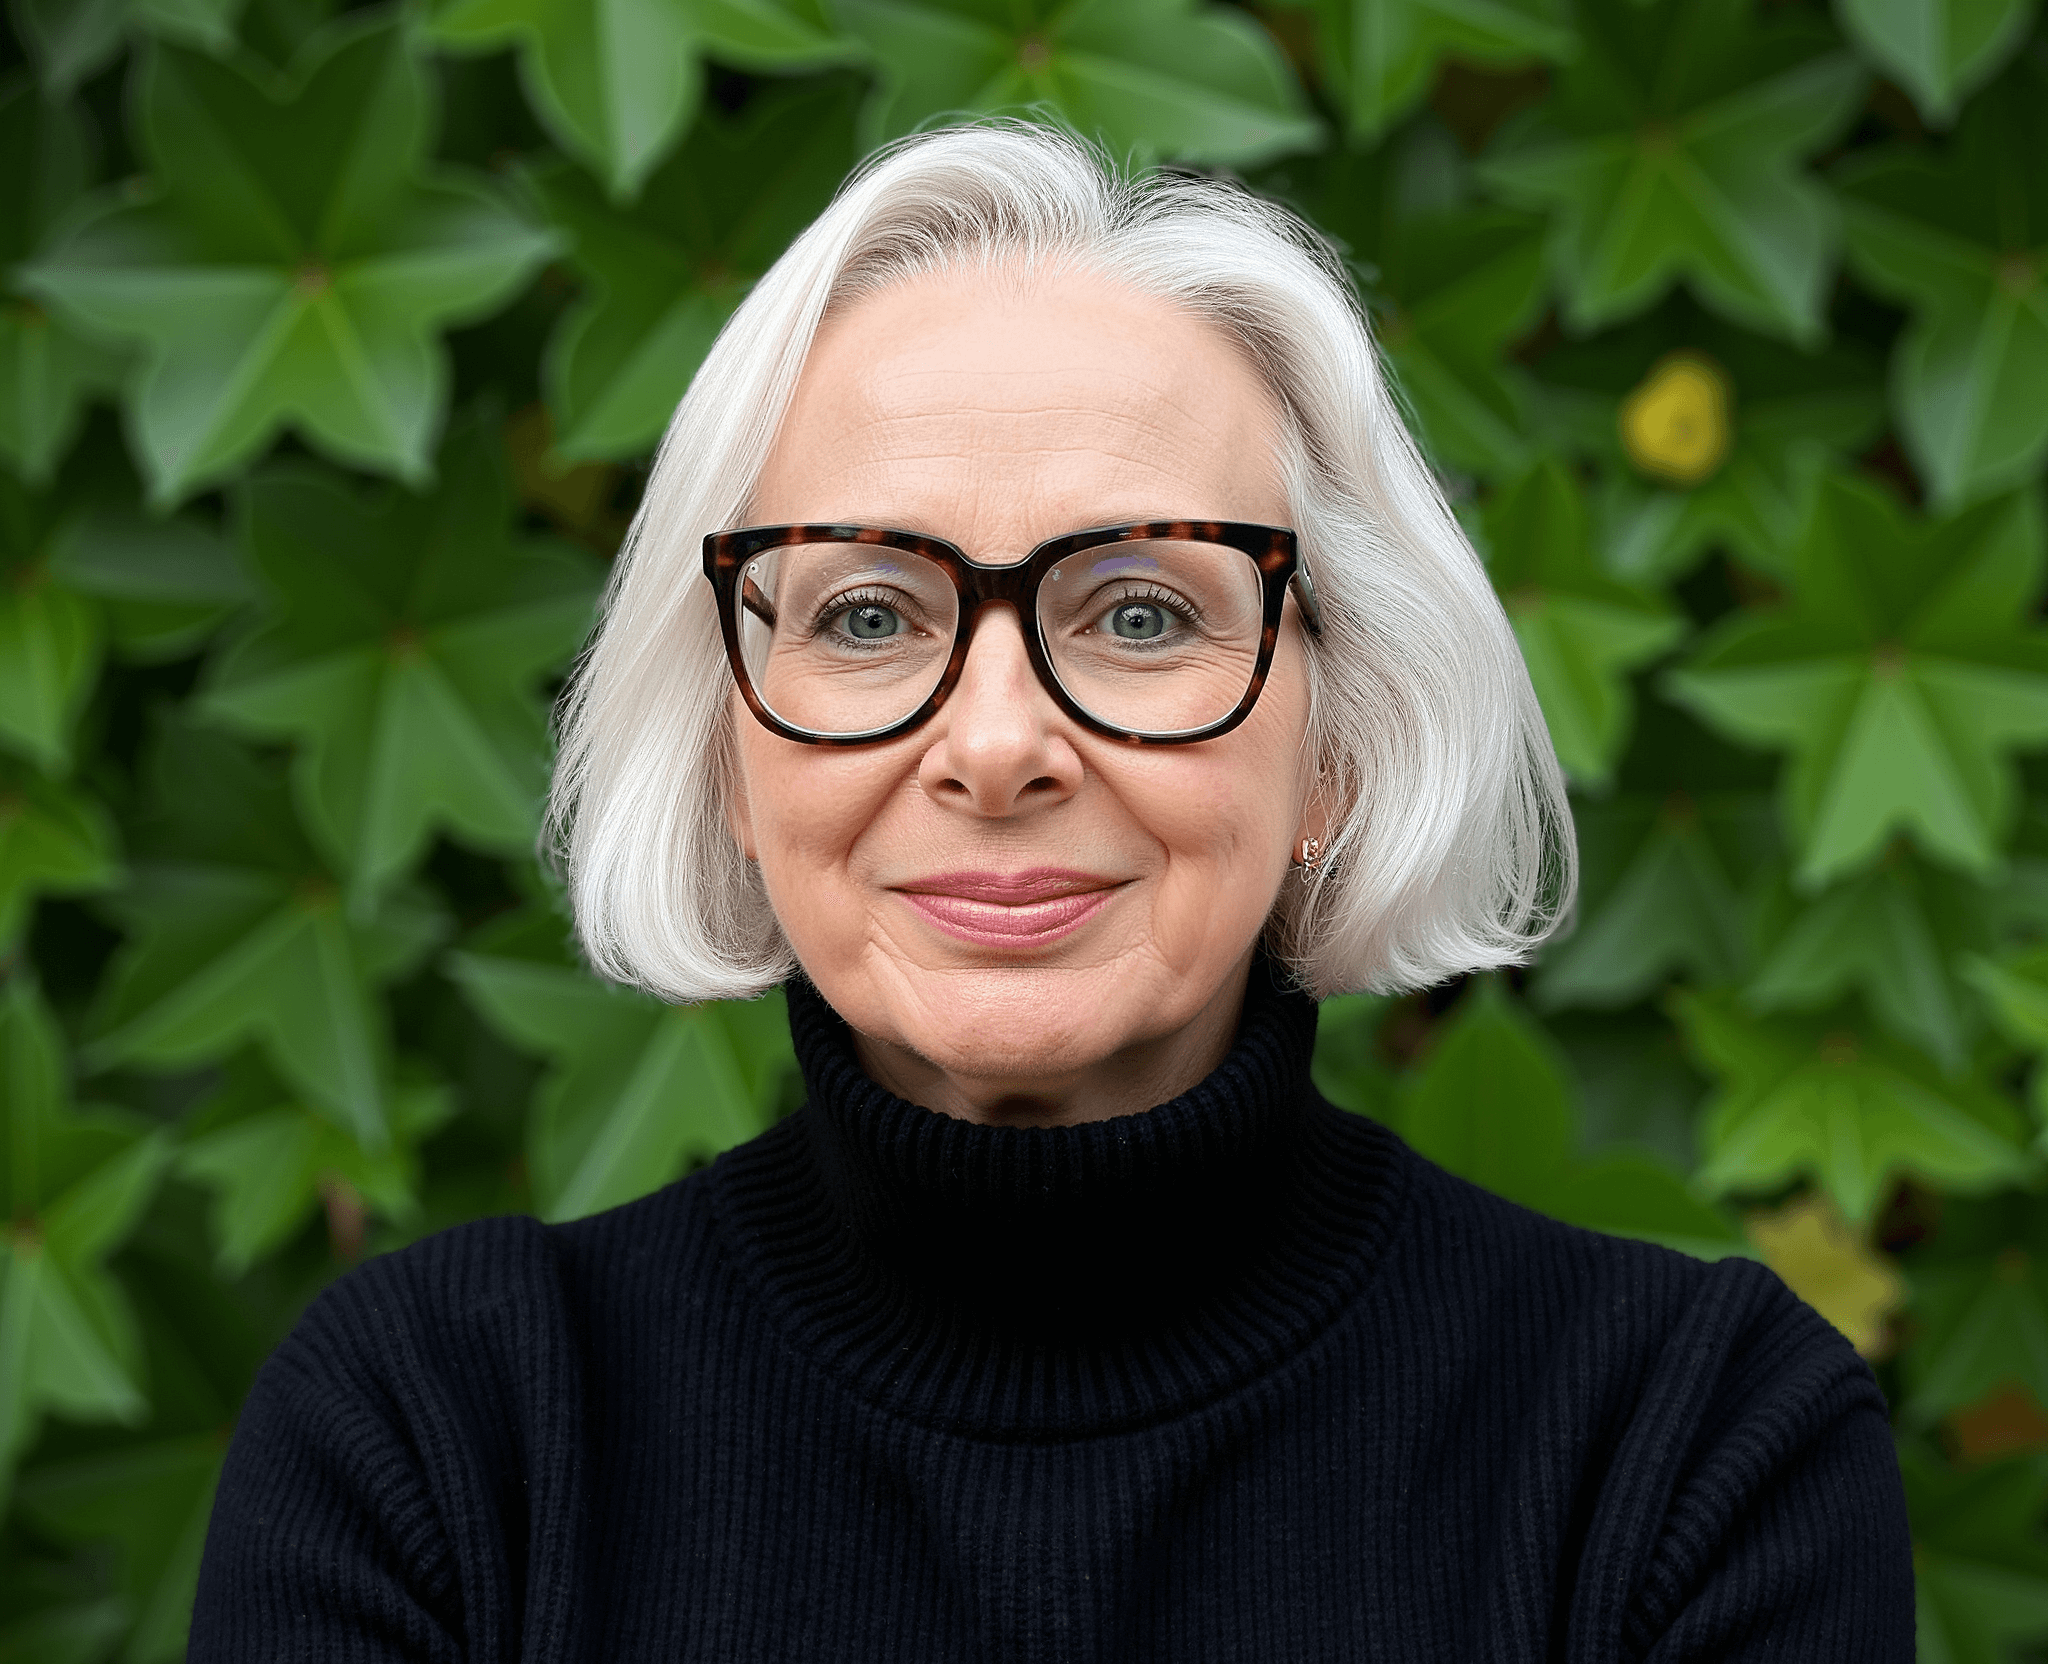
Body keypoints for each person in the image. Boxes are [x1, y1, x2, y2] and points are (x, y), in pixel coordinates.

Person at [189, 123, 1914, 1661]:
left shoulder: (1688, 1449)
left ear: (1338, 743)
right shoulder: (435, 1437)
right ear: (732, 749)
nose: (996, 743)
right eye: (867, 614)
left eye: (1143, 612)